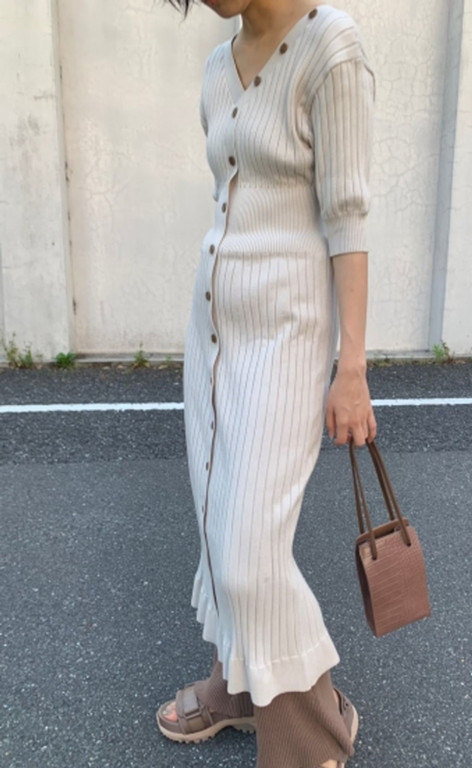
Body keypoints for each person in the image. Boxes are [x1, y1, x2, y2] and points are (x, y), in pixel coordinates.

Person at [156, 1, 377, 765]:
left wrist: (352, 367)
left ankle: (314, 738)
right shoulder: (219, 66)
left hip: (288, 331)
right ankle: (240, 686)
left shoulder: (330, 48)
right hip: (214, 326)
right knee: (217, 520)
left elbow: (348, 217)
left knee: (251, 552)